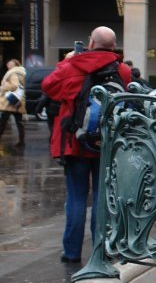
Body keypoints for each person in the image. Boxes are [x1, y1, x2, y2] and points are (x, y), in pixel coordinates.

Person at [41, 26, 131, 264]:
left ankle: (71, 251)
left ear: (90, 43)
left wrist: (68, 61)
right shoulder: (122, 69)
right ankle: (99, 248)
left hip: (75, 142)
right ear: (114, 45)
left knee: (77, 196)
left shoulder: (72, 66)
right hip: (107, 142)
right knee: (102, 196)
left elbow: (48, 87)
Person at [0, 59, 27, 147]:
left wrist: (4, 85)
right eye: (8, 63)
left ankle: (21, 142)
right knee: (19, 122)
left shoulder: (14, 73)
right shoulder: (20, 72)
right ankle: (21, 141)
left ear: (15, 65)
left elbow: (14, 85)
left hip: (11, 101)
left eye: (10, 64)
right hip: (18, 100)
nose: (8, 65)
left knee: (3, 120)